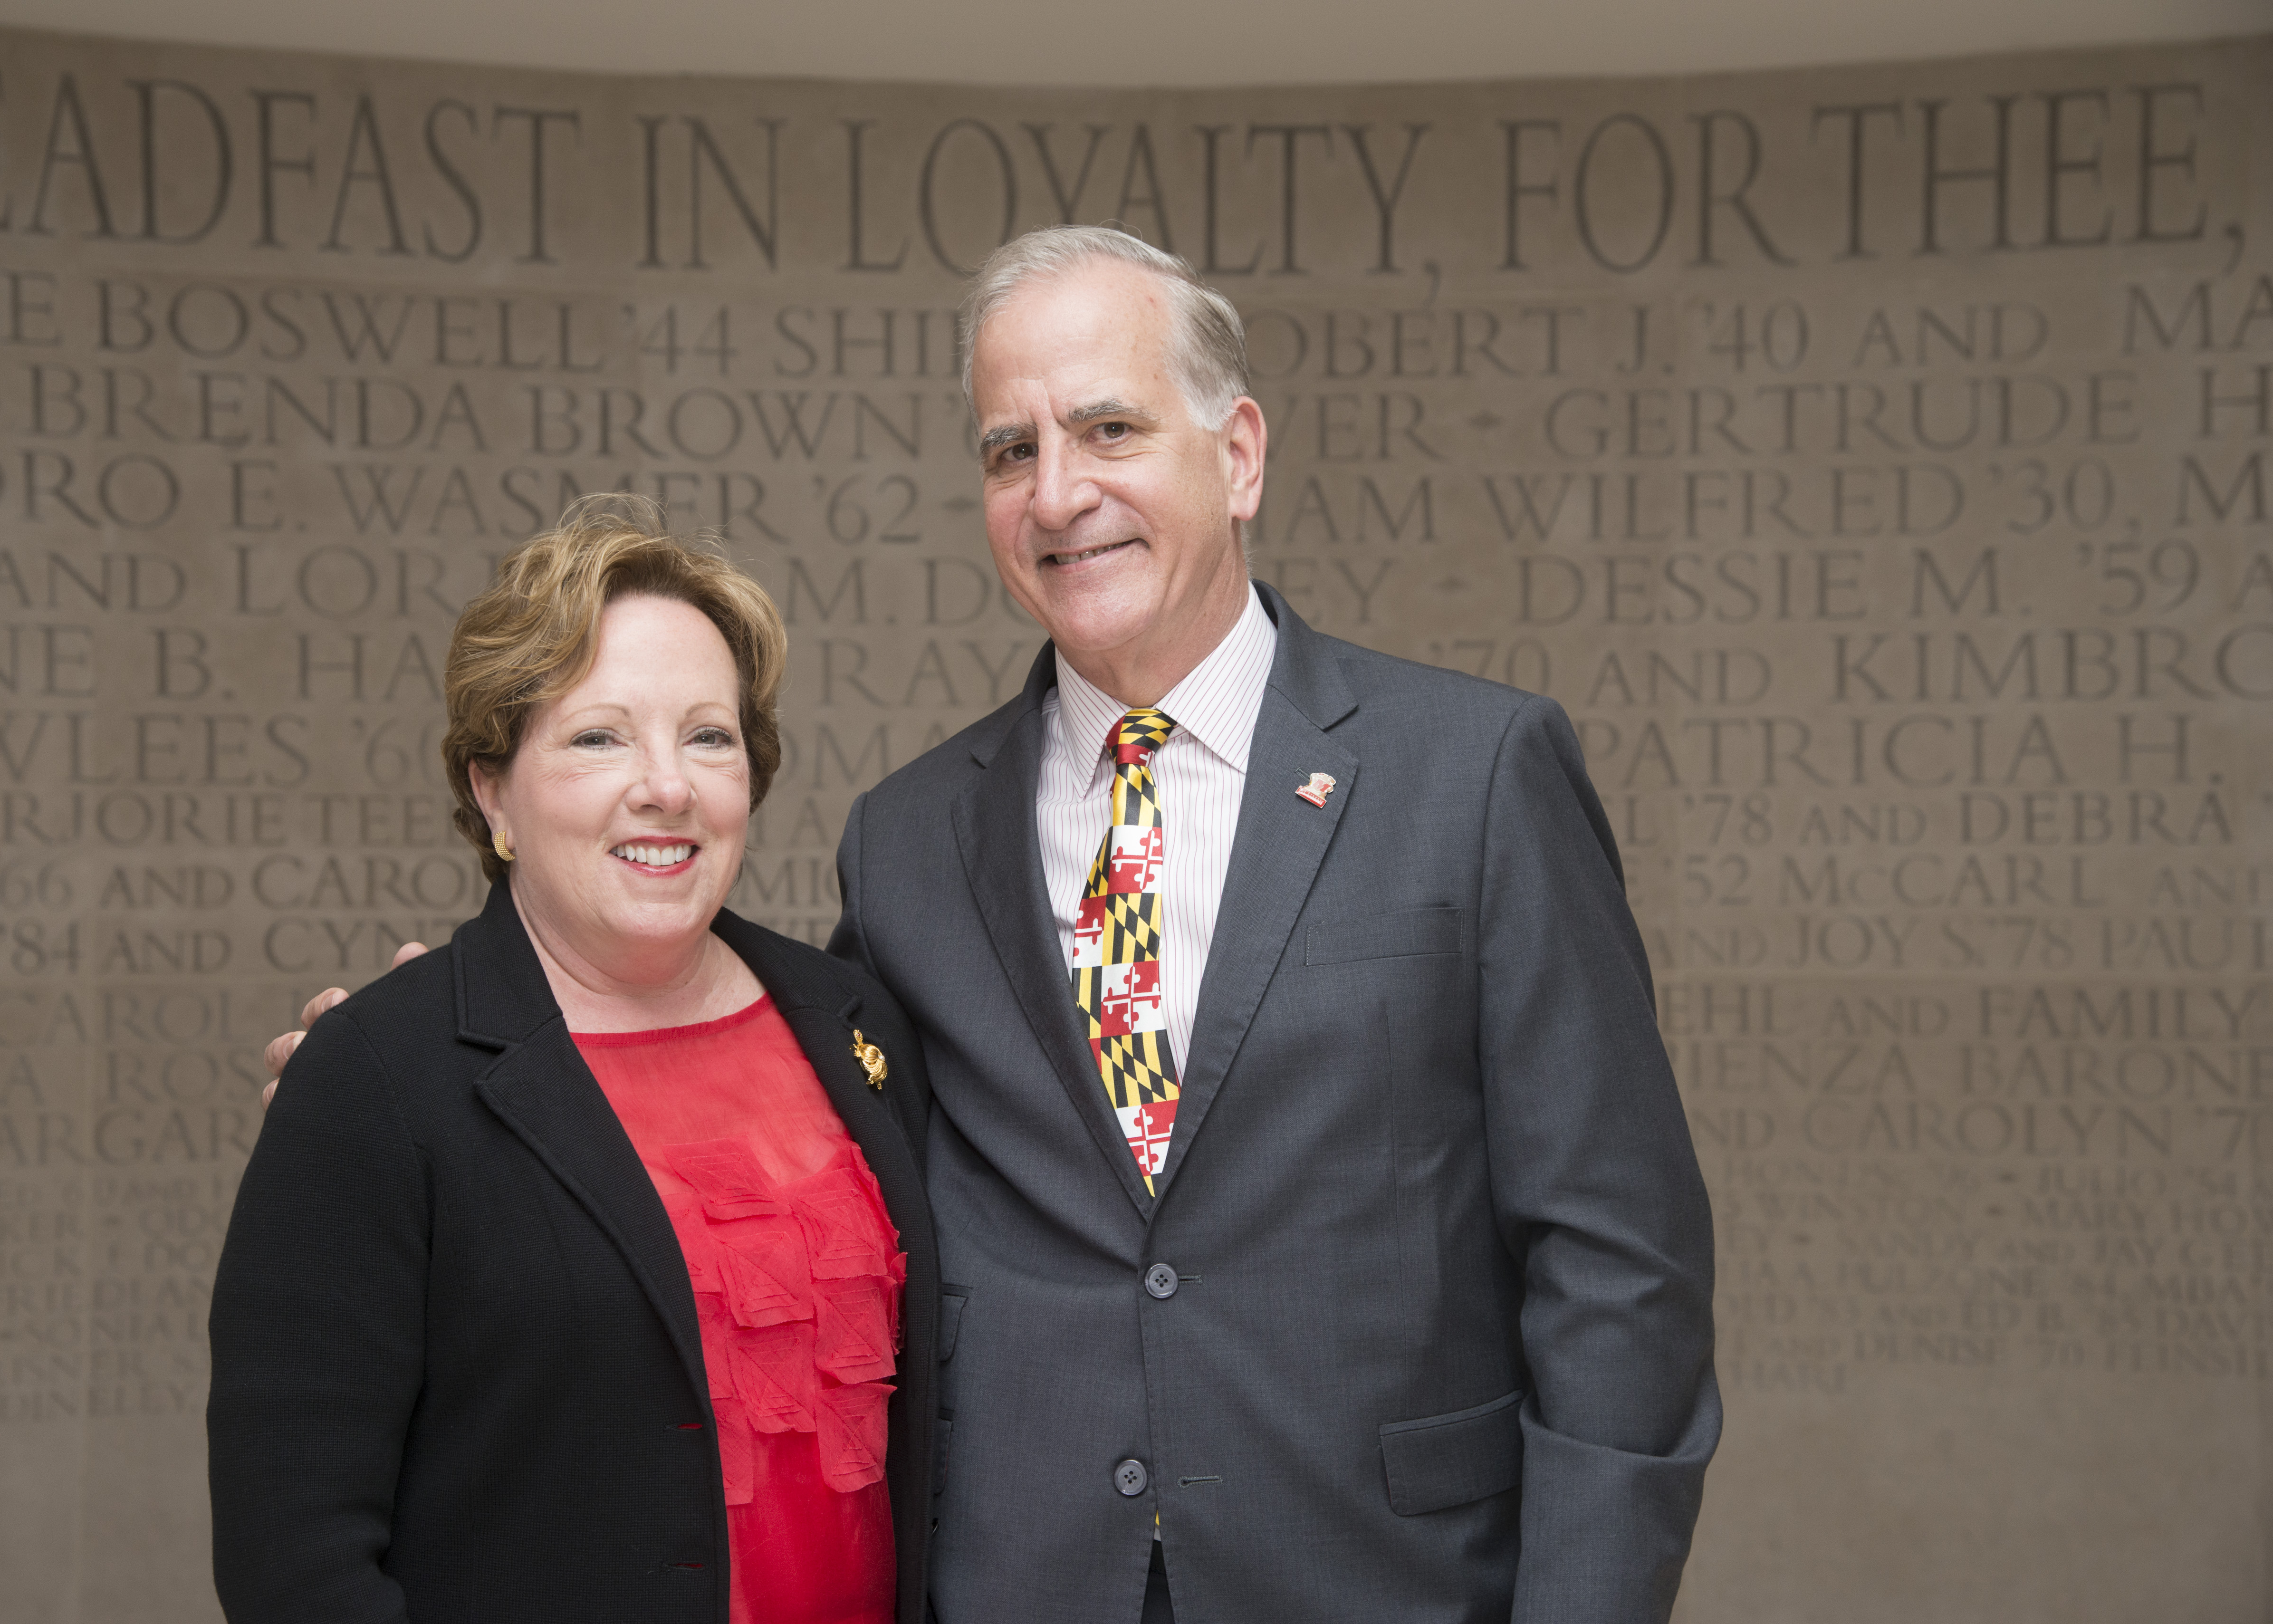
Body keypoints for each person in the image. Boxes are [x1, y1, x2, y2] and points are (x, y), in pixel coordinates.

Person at [272, 228, 1718, 1623]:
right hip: (1022, 1581)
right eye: (1008, 451)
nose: (1056, 492)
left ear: (1240, 453)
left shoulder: (1475, 775)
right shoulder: (908, 840)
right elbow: (775, 1144)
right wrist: (439, 1083)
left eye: (1107, 430)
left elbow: (1620, 1267)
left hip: (1382, 1580)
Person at [211, 498, 939, 1624]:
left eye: (708, 734)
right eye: (599, 736)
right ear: (491, 788)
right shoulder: (376, 1075)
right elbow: (294, 1559)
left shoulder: (854, 1019)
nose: (668, 785)